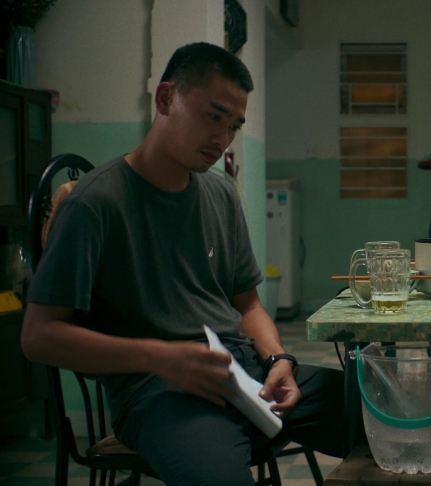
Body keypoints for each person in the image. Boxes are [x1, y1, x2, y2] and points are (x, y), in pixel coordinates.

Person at [21, 42, 344, 485]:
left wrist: (278, 361)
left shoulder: (220, 194)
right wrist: (160, 357)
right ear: (165, 98)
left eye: (234, 126)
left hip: (246, 375)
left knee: (387, 410)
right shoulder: (95, 204)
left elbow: (249, 305)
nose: (223, 139)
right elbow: (37, 336)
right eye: (213, 117)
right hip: (159, 390)